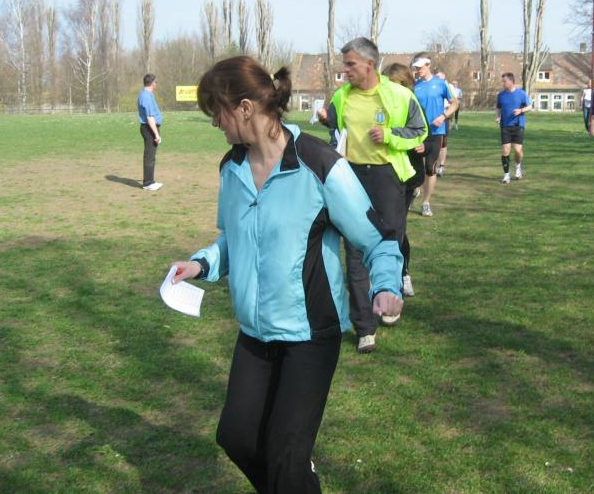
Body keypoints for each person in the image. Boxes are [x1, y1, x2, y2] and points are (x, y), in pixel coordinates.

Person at [169, 56, 404, 491]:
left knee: (285, 456)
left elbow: (378, 238)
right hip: (255, 333)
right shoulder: (232, 168)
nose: (215, 123)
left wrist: (386, 285)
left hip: (310, 335)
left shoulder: (319, 164)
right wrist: (202, 263)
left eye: (217, 113)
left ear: (244, 108)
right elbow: (234, 237)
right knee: (237, 439)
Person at [321, 38, 427, 351]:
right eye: (345, 64)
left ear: (369, 64)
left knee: (389, 243)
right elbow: (335, 133)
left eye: (350, 64)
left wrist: (390, 136)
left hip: (387, 177)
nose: (345, 70)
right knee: (355, 250)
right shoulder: (341, 97)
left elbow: (419, 131)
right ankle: (365, 327)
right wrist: (328, 126)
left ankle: (389, 298)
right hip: (351, 178)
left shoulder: (400, 95)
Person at [382, 62, 428, 299]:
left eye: (395, 85)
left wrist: (423, 146)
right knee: (382, 227)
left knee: (396, 227)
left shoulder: (412, 103)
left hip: (408, 176)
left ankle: (403, 274)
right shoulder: (378, 103)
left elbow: (426, 136)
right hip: (381, 175)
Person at [411, 55, 458, 217]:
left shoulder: (441, 84)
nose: (418, 70)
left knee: (430, 168)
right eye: (416, 67)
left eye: (420, 67)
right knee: (414, 168)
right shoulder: (415, 86)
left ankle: (426, 203)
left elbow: (455, 103)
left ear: (428, 65)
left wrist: (443, 116)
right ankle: (414, 190)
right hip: (418, 133)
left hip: (436, 133)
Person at [495, 72, 532, 184]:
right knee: (505, 150)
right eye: (502, 81)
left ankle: (518, 167)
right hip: (505, 126)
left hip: (518, 125)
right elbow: (498, 108)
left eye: (504, 81)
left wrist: (521, 110)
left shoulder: (521, 94)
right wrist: (498, 117)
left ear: (511, 81)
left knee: (517, 150)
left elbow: (530, 106)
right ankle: (506, 175)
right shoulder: (501, 95)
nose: (503, 83)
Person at [137, 73, 163, 190]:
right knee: (149, 156)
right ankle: (148, 183)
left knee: (151, 155)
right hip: (149, 128)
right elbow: (149, 117)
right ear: (152, 83)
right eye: (156, 82)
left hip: (150, 127)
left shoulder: (147, 94)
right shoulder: (146, 96)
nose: (156, 84)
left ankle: (149, 181)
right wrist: (156, 134)